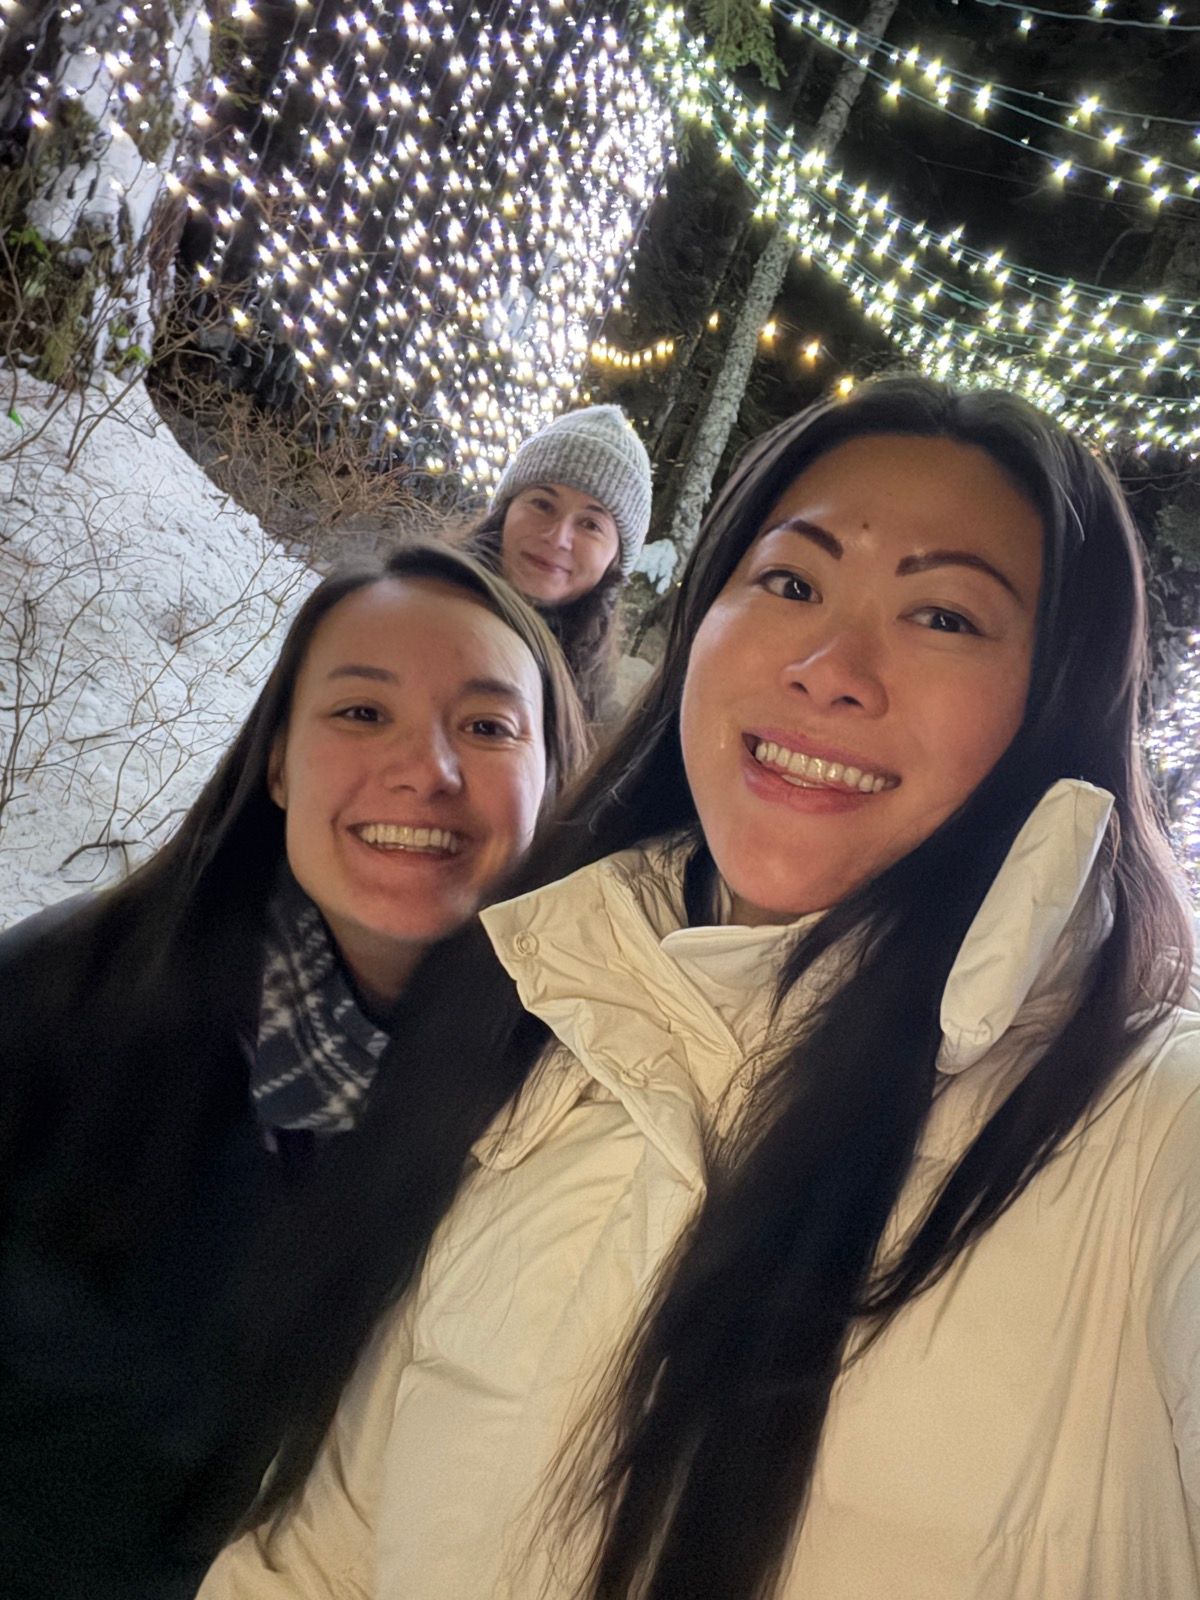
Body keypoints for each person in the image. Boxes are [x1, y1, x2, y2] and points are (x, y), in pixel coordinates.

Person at [203, 377, 1199, 1600]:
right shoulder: (546, 1025)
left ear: (1059, 702)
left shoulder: (1157, 1133)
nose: (831, 668)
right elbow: (322, 1555)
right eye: (790, 583)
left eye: (943, 615)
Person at [0, 541, 588, 1600]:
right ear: (278, 761)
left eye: (488, 727)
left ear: (553, 778)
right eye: (362, 712)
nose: (427, 769)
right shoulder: (61, 1000)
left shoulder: (582, 1123)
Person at [464, 403, 652, 721]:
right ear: (505, 511)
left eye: (590, 525)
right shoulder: (411, 610)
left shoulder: (601, 722)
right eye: (542, 504)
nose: (558, 537)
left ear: (615, 560)